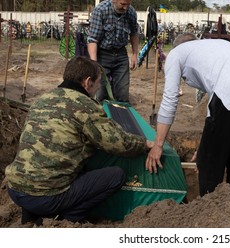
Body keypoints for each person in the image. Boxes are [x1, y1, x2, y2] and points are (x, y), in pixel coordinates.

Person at [5, 56, 153, 224]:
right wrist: (145, 144)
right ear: (88, 82)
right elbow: (119, 143)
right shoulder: (85, 105)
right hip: (46, 197)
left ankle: (32, 216)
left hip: (16, 188)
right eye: (98, 84)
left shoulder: (43, 99)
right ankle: (66, 219)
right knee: (115, 176)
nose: (98, 89)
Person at [145, 33, 230, 196]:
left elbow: (170, 100)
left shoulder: (176, 54)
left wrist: (158, 145)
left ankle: (209, 212)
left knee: (208, 165)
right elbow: (216, 101)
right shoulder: (215, 45)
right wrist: (207, 144)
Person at [87, 0, 139, 102]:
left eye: (128, 4)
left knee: (122, 93)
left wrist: (135, 54)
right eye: (123, 4)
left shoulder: (131, 12)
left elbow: (134, 33)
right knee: (100, 92)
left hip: (121, 54)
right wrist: (94, 63)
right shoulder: (100, 10)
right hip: (102, 54)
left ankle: (120, 118)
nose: (125, 8)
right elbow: (92, 39)